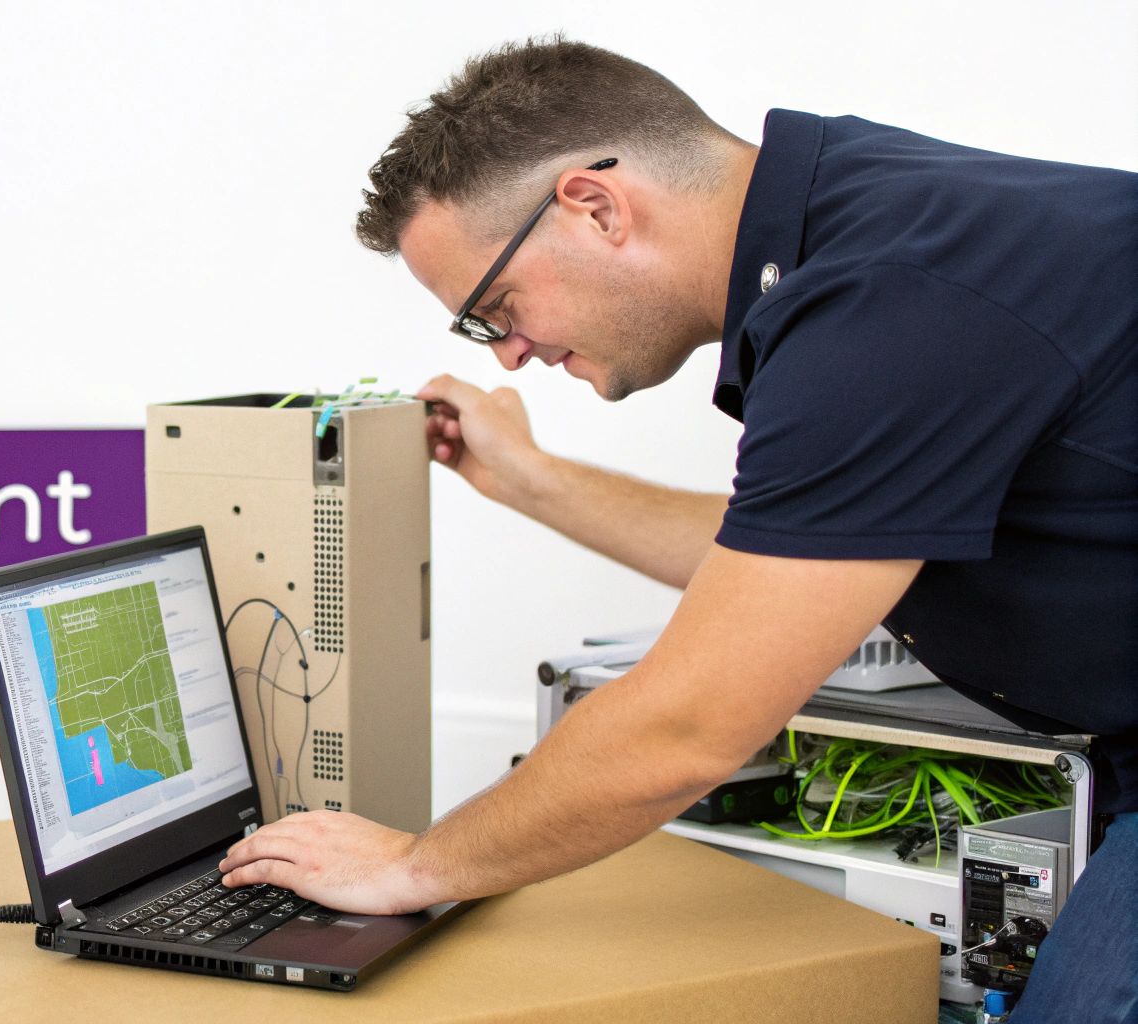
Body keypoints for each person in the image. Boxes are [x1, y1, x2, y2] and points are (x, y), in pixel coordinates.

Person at [217, 37, 1136, 1021]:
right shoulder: (865, 225)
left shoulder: (882, 305)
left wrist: (414, 863)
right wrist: (535, 483)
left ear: (594, 206)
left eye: (493, 311)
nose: (512, 355)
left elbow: (691, 726)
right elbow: (789, 562)